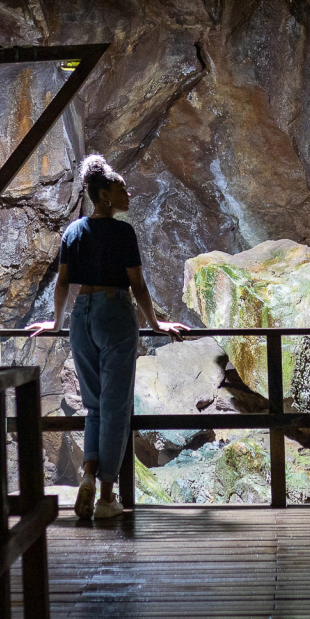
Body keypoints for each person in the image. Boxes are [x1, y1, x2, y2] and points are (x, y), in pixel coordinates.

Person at [25, 155, 187, 519]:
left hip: (82, 315)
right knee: (116, 408)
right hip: (114, 313)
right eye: (121, 188)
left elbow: (64, 283)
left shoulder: (73, 232)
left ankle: (87, 476)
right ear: (106, 196)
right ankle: (107, 495)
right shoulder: (122, 232)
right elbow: (138, 284)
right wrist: (156, 325)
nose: (128, 193)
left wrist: (55, 323)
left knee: (94, 405)